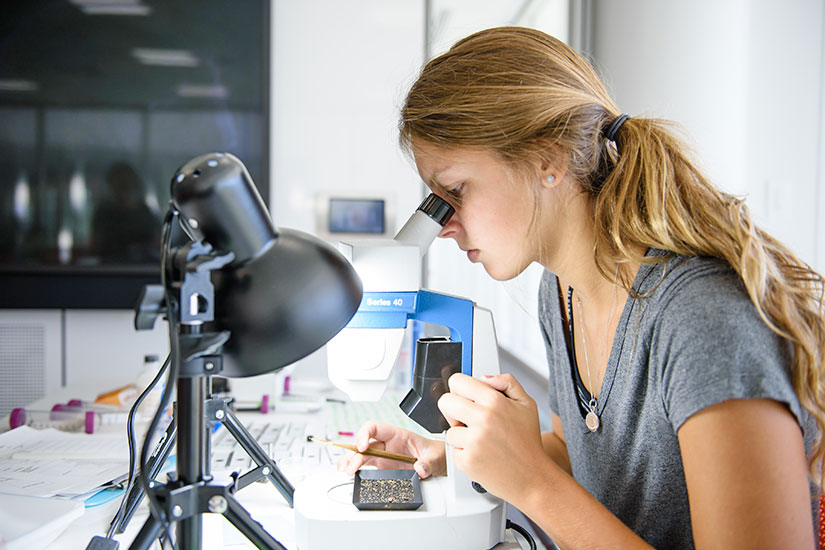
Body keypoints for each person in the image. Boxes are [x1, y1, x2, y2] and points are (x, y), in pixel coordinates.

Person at [338, 26, 825, 549]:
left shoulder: (703, 320)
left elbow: (548, 483)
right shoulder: (562, 291)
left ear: (548, 159)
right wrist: (455, 453)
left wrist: (531, 482)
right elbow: (584, 457)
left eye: (454, 191)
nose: (445, 225)